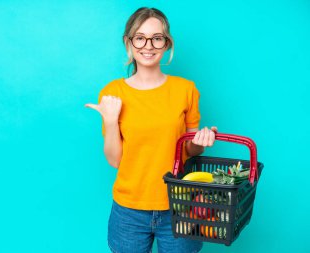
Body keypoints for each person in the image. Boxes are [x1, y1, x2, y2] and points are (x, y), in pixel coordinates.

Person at [85, 7, 217, 253]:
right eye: (140, 37)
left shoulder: (186, 90)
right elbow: (115, 161)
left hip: (181, 205)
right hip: (129, 211)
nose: (148, 45)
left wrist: (201, 140)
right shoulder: (112, 93)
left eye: (157, 38)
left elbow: (189, 150)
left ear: (166, 44)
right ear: (129, 42)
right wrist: (111, 120)